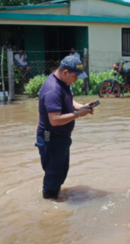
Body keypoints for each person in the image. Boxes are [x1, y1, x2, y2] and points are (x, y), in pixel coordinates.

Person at [36, 56, 94, 200]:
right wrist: (78, 115)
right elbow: (54, 120)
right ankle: (49, 207)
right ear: (66, 72)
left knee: (61, 174)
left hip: (61, 138)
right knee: (53, 177)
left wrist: (81, 107)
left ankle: (55, 198)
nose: (76, 79)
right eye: (75, 76)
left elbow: (68, 99)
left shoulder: (62, 83)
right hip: (52, 140)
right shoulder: (53, 90)